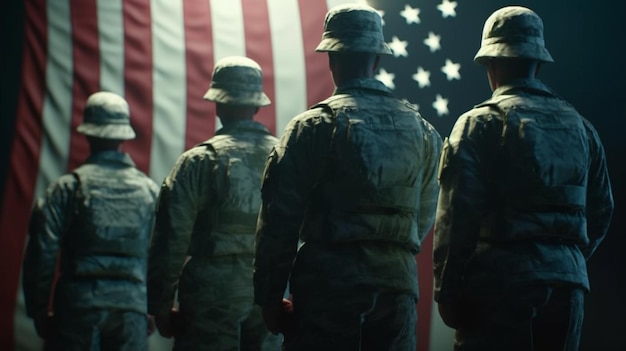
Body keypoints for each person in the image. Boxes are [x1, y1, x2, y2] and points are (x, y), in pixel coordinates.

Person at [253, 4, 442, 350]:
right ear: (378, 59)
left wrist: (269, 297)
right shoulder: (424, 131)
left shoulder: (312, 127)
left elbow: (279, 220)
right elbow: (423, 217)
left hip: (329, 286)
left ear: (331, 59)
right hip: (396, 285)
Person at [433, 6, 614, 351]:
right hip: (567, 286)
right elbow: (602, 209)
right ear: (539, 62)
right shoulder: (581, 127)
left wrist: (447, 290)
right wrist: (562, 259)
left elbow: (457, 216)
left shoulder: (479, 125)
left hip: (500, 285)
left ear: (491, 65)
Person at [147, 56, 281, 350]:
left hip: (211, 294)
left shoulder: (198, 161)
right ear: (258, 105)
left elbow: (172, 238)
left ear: (218, 105)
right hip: (269, 291)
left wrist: (160, 304)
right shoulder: (285, 158)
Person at [22, 91, 160, 351]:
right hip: (131, 310)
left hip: (78, 309)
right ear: (123, 135)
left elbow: (42, 253)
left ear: (88, 133)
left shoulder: (67, 189)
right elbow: (161, 254)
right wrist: (152, 308)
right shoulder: (149, 191)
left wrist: (39, 310)